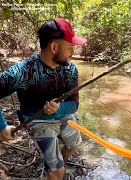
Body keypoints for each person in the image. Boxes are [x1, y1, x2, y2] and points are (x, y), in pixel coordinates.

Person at [0, 18, 87, 180]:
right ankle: (55, 169)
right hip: (37, 121)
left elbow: (74, 104)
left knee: (74, 145)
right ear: (54, 47)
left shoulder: (70, 70)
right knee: (57, 173)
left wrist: (59, 108)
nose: (72, 53)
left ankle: (59, 161)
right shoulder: (23, 71)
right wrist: (2, 126)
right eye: (70, 48)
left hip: (63, 116)